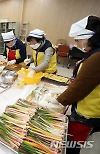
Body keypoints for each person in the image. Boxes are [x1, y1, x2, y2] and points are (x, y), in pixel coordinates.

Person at [54, 15, 100, 154]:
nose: (77, 44)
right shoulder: (94, 53)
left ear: (88, 38)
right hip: (90, 106)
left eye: (78, 40)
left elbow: (80, 87)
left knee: (72, 144)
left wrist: (58, 100)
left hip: (88, 112)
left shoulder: (96, 57)